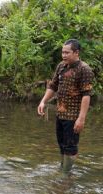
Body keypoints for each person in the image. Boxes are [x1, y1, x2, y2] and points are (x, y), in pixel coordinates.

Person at [37, 39, 94, 173]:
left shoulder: (84, 69)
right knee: (62, 145)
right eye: (62, 52)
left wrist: (81, 118)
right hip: (60, 113)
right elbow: (53, 86)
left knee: (70, 147)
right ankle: (64, 170)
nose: (64, 55)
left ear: (76, 53)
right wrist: (43, 101)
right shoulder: (61, 66)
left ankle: (65, 176)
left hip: (73, 116)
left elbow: (87, 95)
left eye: (67, 52)